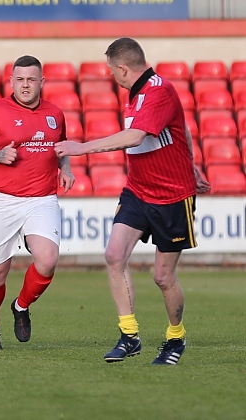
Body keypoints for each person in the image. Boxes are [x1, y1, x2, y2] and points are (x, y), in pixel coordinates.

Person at [55, 38, 211, 365]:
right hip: (138, 191)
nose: (113, 77)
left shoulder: (159, 90)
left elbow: (136, 136)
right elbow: (179, 130)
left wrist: (80, 147)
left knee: (163, 277)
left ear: (123, 68)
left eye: (113, 72)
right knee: (114, 255)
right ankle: (129, 336)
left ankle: (175, 337)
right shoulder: (136, 93)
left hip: (171, 196)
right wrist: (192, 161)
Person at [0, 55, 74, 350]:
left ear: (41, 82)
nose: (26, 85)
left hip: (42, 198)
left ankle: (21, 306)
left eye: (32, 79)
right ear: (11, 82)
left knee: (48, 260)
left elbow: (60, 146)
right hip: (1, 199)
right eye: (20, 79)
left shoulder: (55, 113)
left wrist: (66, 168)